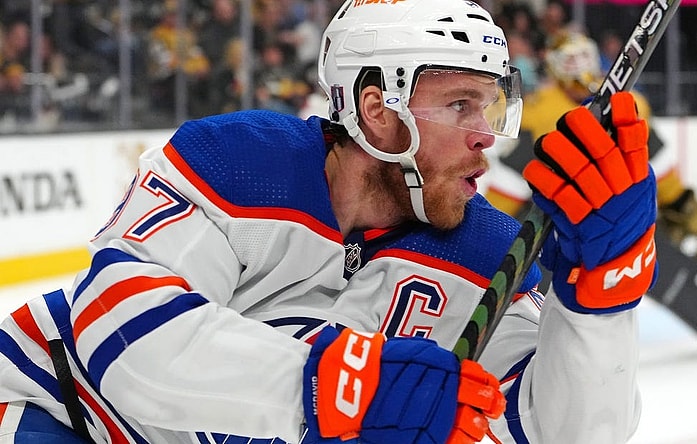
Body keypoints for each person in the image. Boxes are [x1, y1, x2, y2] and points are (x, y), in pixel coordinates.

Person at [0, 1, 656, 443]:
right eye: (460, 105)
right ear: (377, 110)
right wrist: (336, 389)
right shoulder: (240, 162)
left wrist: (600, 301)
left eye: (491, 107)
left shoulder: (484, 250)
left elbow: (562, 430)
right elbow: (122, 332)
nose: (487, 136)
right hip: (51, 413)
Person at [483, 31, 697, 353]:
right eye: (570, 60)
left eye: (584, 57)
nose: (580, 68)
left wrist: (682, 204)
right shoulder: (535, 113)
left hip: (621, 217)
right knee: (540, 304)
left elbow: (655, 161)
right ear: (554, 66)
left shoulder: (629, 102)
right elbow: (508, 185)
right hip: (557, 232)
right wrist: (496, 238)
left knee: (669, 270)